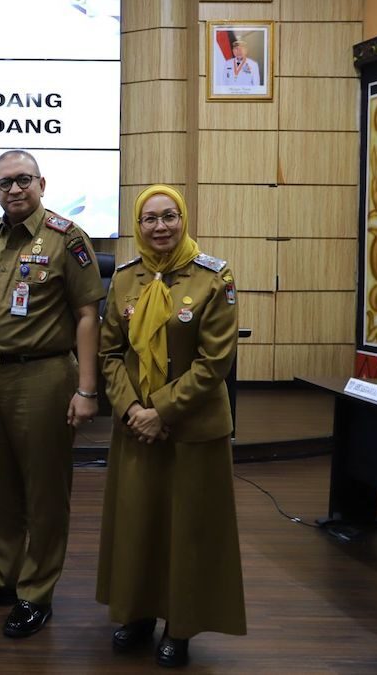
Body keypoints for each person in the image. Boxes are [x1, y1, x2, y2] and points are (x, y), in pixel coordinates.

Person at [0, 150, 105, 638]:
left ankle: (36, 591)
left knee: (43, 489)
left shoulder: (67, 239)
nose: (13, 189)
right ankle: (3, 576)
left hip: (43, 376)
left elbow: (87, 315)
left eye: (22, 180)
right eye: (4, 183)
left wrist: (87, 388)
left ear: (41, 183)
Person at [96, 184, 246, 668]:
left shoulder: (213, 276)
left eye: (169, 216)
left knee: (188, 531)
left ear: (183, 219)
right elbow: (110, 352)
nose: (160, 227)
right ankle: (137, 613)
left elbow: (215, 361)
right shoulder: (123, 278)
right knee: (138, 524)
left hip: (192, 427)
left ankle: (179, 627)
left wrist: (160, 409)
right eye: (150, 219)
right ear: (138, 226)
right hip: (135, 425)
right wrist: (132, 411)